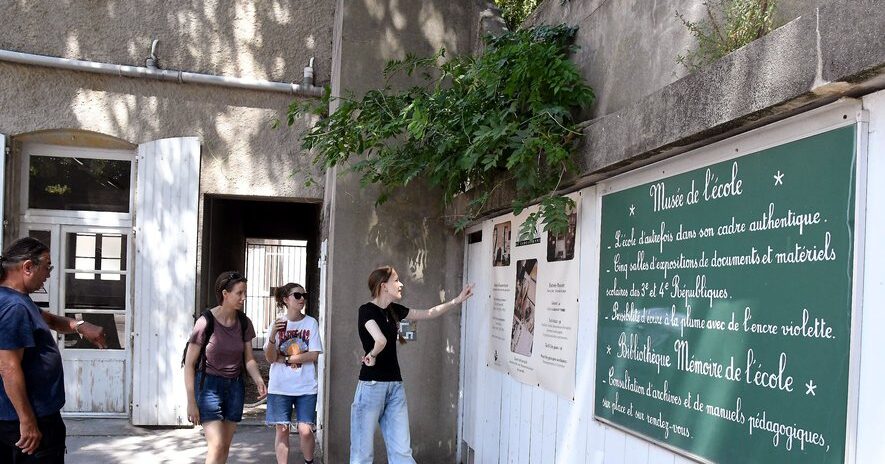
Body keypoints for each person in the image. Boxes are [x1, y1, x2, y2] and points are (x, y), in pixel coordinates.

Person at [350, 265, 474, 464]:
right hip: (382, 386)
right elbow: (380, 341)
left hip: (385, 386)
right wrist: (373, 353)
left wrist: (456, 300)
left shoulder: (394, 311)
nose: (401, 284)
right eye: (396, 280)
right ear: (384, 286)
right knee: (390, 453)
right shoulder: (367, 310)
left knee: (369, 454)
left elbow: (429, 313)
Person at [0, 237, 107, 463]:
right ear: (28, 267)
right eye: (47, 266)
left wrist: (80, 326)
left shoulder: (18, 299)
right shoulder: (14, 307)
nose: (49, 273)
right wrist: (27, 421)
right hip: (28, 421)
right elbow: (8, 368)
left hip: (34, 416)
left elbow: (48, 318)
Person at [183, 271, 267, 464]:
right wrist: (191, 401)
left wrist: (258, 379)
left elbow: (249, 360)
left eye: (244, 292)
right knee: (217, 444)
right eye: (239, 293)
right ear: (225, 294)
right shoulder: (205, 322)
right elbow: (189, 364)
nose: (243, 298)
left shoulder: (244, 323)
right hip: (208, 387)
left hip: (235, 387)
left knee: (225, 446)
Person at [264, 283, 322, 464]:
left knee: (305, 429)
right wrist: (273, 334)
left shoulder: (310, 322)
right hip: (280, 386)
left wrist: (288, 360)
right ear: (286, 299)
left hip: (305, 386)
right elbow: (271, 358)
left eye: (304, 295)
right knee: (282, 430)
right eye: (297, 295)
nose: (302, 298)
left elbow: (313, 355)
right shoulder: (277, 324)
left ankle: (309, 461)